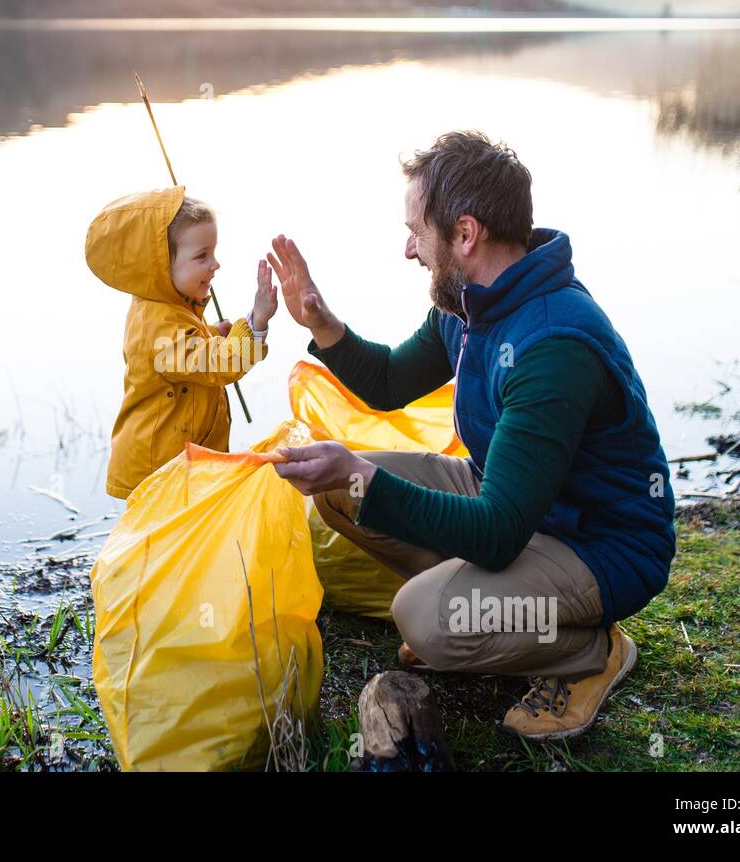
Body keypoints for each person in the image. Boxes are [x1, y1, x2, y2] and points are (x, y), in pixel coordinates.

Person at [267, 131, 676, 740]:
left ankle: (588, 652)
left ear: (465, 233)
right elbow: (387, 381)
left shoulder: (553, 344)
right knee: (338, 494)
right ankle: (492, 616)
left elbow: (496, 530)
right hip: (516, 502)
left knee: (423, 618)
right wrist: (320, 320)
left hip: (598, 544)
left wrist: (361, 472)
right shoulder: (470, 303)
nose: (409, 249)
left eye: (417, 231)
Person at [86, 185, 277, 499]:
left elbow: (187, 352)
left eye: (213, 252)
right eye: (202, 256)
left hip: (181, 466)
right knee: (166, 546)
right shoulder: (158, 328)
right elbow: (217, 364)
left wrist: (212, 334)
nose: (214, 264)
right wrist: (256, 321)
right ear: (161, 267)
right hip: (159, 475)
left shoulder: (168, 305)